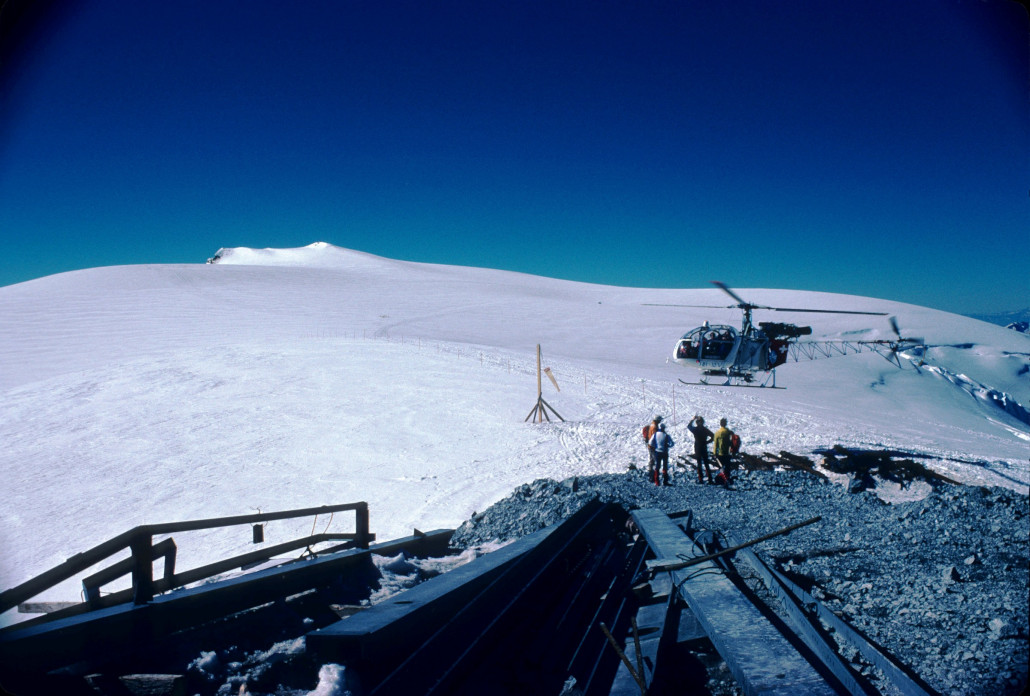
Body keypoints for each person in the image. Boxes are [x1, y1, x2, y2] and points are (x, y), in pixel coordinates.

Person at [687, 415, 714, 484]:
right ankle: (710, 479)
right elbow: (713, 436)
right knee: (706, 463)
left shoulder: (695, 430)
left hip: (697, 447)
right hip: (704, 447)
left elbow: (689, 426)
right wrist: (707, 442)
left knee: (699, 463)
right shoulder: (705, 430)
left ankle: (700, 479)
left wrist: (692, 419)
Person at [713, 417, 735, 486]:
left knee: (721, 468)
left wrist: (714, 453)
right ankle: (727, 480)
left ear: (720, 424)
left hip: (720, 453)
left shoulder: (717, 433)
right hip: (727, 453)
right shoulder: (729, 432)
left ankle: (723, 480)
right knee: (727, 468)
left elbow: (715, 444)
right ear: (725, 424)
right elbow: (732, 442)